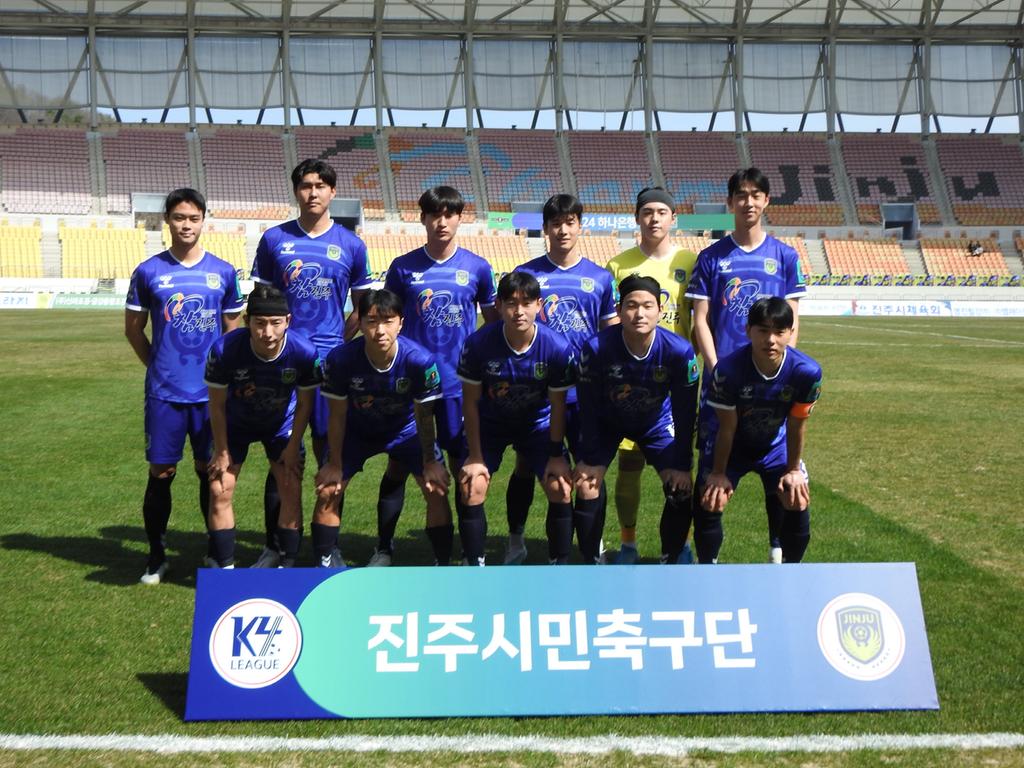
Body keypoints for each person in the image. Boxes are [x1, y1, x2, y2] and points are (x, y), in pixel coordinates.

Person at [250, 158, 372, 567]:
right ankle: (277, 546)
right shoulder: (274, 240)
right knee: (281, 451)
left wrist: (341, 341)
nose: (313, 192)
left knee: (328, 451)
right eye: (305, 185)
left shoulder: (351, 245)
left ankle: (326, 547)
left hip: (326, 365)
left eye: (321, 185)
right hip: (278, 364)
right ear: (296, 191)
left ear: (333, 192)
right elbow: (262, 305)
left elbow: (362, 306)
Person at [685, 167, 807, 563]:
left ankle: (777, 550)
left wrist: (783, 368)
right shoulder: (711, 257)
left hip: (770, 384)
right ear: (730, 202)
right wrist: (719, 370)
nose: (748, 201)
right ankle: (709, 565)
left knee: (780, 474)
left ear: (766, 201)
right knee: (712, 482)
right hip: (724, 382)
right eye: (741, 194)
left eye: (756, 194)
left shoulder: (785, 256)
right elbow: (699, 318)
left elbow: (792, 317)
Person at [125, 187, 244, 585]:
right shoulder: (148, 272)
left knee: (211, 474)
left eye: (193, 218)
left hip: (211, 397)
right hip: (164, 395)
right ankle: (156, 555)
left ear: (203, 221)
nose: (186, 225)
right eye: (179, 218)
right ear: (168, 221)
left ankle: (214, 548)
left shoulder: (224, 272)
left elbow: (233, 332)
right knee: (161, 472)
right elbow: (133, 330)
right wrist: (157, 366)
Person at [379, 186, 498, 566]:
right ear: (423, 219)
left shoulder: (477, 268)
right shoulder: (402, 267)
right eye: (435, 214)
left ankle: (470, 556)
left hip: (461, 389)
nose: (442, 221)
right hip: (413, 390)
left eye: (450, 214)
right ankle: (384, 547)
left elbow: (493, 326)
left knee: (465, 471)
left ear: (460, 218)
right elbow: (387, 320)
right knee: (400, 464)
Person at [509, 193, 618, 564]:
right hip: (537, 394)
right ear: (546, 229)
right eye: (556, 223)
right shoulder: (528, 274)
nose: (563, 229)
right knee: (528, 466)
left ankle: (593, 544)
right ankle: (516, 539)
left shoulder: (601, 279)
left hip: (585, 394)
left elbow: (610, 336)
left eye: (570, 222)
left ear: (579, 227)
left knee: (590, 471)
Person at [314, 289, 452, 566]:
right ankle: (324, 563)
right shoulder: (340, 360)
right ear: (360, 322)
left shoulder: (420, 361)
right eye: (371, 321)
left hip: (405, 430)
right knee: (329, 488)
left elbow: (425, 416)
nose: (380, 330)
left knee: (436, 487)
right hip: (357, 431)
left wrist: (430, 462)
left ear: (401, 322)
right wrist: (334, 463)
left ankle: (442, 564)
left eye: (388, 321)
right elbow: (337, 416)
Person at [574, 275, 700, 565]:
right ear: (619, 310)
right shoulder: (596, 348)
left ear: (660, 309)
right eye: (631, 305)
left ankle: (670, 558)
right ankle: (591, 560)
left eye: (647, 306)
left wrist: (682, 464)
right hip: (608, 421)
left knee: (681, 487)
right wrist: (590, 457)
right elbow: (589, 407)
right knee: (586, 483)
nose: (639, 314)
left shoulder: (679, 352)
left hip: (655, 422)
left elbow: (684, 412)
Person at [605, 186, 699, 564]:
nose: (655, 218)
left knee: (678, 467)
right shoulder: (619, 265)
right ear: (637, 218)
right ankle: (628, 544)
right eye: (648, 212)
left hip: (674, 388)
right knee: (629, 466)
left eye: (662, 211)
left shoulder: (691, 262)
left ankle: (680, 546)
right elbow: (612, 327)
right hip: (630, 386)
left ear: (673, 218)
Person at [457, 272, 576, 565]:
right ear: (498, 305)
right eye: (511, 303)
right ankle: (476, 566)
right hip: (491, 424)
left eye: (526, 303)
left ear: (539, 305)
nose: (518, 311)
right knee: (473, 485)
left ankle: (558, 565)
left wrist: (556, 453)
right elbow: (470, 403)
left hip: (536, 424)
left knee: (560, 485)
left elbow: (558, 405)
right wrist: (474, 456)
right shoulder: (478, 344)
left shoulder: (557, 347)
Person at [693, 297, 822, 564]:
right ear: (748, 330)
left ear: (791, 332)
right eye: (763, 330)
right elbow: (727, 428)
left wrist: (794, 469)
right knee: (711, 498)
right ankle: (708, 569)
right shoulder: (727, 371)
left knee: (796, 497)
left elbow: (797, 425)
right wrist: (718, 473)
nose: (771, 340)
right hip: (732, 446)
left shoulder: (807, 372)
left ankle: (789, 569)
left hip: (776, 444)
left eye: (779, 332)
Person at [203, 285, 319, 569]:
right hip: (235, 425)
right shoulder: (224, 350)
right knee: (220, 488)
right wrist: (221, 450)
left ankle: (285, 567)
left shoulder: (304, 352)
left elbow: (305, 405)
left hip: (280, 425)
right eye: (260, 323)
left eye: (276, 323)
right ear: (247, 321)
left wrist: (293, 447)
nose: (267, 333)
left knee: (290, 486)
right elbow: (216, 405)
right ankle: (227, 571)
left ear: (288, 322)